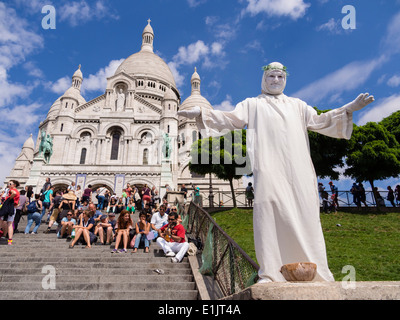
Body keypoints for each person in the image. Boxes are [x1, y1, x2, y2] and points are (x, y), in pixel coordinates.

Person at [178, 61, 375, 282]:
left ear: (286, 80)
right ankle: (271, 271)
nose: (276, 80)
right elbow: (231, 118)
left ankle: (313, 268)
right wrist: (201, 113)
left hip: (298, 169)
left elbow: (320, 121)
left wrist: (348, 108)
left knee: (306, 214)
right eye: (271, 76)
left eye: (280, 77)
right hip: (269, 168)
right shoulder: (252, 104)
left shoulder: (298, 105)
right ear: (264, 79)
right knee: (268, 213)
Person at [0, 180, 20, 245]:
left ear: (14, 185)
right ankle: (10, 240)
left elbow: (13, 193)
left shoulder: (11, 190)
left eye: (10, 183)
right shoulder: (18, 191)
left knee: (2, 220)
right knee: (10, 223)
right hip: (13, 208)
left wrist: (9, 198)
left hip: (8, 207)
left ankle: (3, 234)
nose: (9, 184)